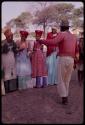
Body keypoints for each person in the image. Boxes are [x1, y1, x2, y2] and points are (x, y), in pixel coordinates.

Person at [39, 20, 79, 105]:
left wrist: (41, 41)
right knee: (67, 80)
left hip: (63, 59)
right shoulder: (74, 36)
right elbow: (76, 50)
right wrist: (76, 62)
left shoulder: (62, 34)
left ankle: (64, 97)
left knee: (61, 79)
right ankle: (66, 96)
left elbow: (53, 42)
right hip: (71, 59)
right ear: (68, 27)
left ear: (62, 27)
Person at [2, 29, 17, 93]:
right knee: (6, 73)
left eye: (11, 36)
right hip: (5, 59)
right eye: (9, 36)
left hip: (11, 58)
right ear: (6, 36)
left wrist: (15, 49)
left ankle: (12, 88)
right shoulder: (3, 42)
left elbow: (15, 50)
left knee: (12, 72)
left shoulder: (13, 42)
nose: (11, 37)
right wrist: (5, 50)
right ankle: (7, 89)